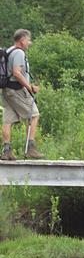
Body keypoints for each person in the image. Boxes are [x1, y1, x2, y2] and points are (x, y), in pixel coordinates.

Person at [1, 29, 44, 160]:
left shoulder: (8, 51)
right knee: (34, 115)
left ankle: (6, 150)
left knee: (8, 120)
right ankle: (30, 148)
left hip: (6, 90)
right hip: (17, 90)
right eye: (28, 40)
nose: (29, 43)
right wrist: (30, 87)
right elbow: (17, 72)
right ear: (22, 40)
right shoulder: (19, 52)